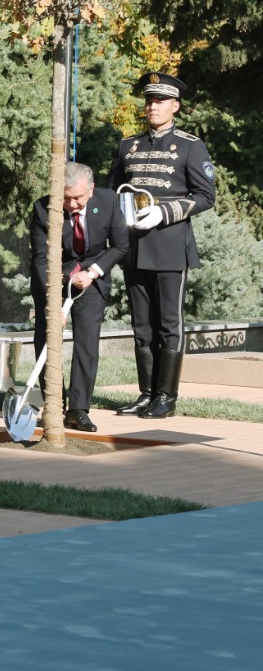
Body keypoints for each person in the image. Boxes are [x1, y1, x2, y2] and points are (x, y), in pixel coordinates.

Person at [108, 72, 215, 419]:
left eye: (160, 101)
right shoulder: (128, 145)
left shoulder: (190, 146)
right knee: (142, 326)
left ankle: (166, 397)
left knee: (169, 324)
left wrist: (164, 212)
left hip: (169, 245)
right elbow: (113, 192)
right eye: (149, 100)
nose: (153, 106)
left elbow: (205, 196)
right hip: (134, 245)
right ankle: (146, 394)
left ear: (175, 106)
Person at [28, 162, 128, 432]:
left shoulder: (108, 201)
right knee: (46, 338)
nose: (71, 204)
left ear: (91, 190)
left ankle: (78, 410)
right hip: (53, 276)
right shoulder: (42, 209)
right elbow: (40, 259)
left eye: (78, 198)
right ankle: (54, 404)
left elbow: (120, 245)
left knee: (86, 341)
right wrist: (53, 301)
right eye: (66, 198)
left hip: (92, 274)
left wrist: (92, 273)